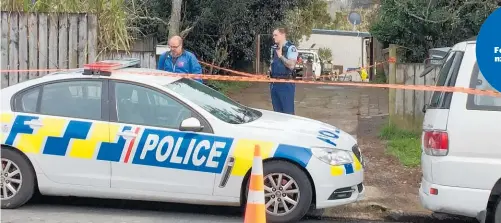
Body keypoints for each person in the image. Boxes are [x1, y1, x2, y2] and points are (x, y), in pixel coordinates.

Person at [269, 28, 298, 115]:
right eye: (273, 35)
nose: (273, 37)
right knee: (277, 113)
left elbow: (291, 65)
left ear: (283, 35)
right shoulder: (274, 48)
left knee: (287, 112)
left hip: (286, 84)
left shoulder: (291, 48)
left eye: (276, 35)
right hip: (274, 84)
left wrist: (280, 56)